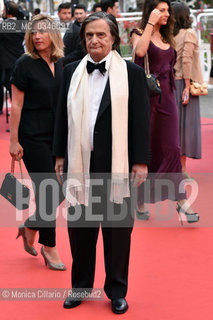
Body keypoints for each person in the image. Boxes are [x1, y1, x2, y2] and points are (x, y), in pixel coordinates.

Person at [53, 11, 150, 314]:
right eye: (89, 35)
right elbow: (61, 117)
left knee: (117, 232)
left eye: (101, 35)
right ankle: (80, 286)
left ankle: (116, 290)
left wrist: (140, 162)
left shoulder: (132, 73)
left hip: (117, 166)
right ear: (83, 39)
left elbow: (140, 121)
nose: (95, 40)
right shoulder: (70, 71)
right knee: (80, 232)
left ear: (114, 39)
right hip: (80, 164)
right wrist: (59, 155)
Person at [131, 0, 199, 223]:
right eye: (162, 10)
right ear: (150, 11)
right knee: (148, 149)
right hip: (147, 99)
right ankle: (140, 199)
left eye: (168, 10)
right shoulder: (139, 32)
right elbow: (139, 53)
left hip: (168, 98)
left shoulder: (167, 37)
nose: (167, 14)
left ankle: (181, 202)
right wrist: (150, 23)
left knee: (172, 147)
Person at [9, 14, 66, 271]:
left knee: (61, 190)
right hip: (32, 137)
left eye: (42, 31)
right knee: (49, 190)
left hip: (58, 138)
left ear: (53, 34)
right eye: (33, 33)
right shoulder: (24, 63)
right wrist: (14, 141)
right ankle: (49, 246)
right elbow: (17, 105)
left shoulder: (62, 63)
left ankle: (31, 224)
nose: (38, 36)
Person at [172, 1, 202, 180]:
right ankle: (181, 168)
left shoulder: (168, 35)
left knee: (174, 128)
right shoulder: (189, 33)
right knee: (185, 128)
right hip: (184, 84)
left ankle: (176, 166)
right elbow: (186, 59)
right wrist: (188, 85)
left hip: (171, 83)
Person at [0, 1, 24, 115]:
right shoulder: (21, 25)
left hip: (8, 63)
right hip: (18, 60)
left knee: (10, 86)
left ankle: (17, 111)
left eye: (4, 10)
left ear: (9, 12)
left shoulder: (4, 26)